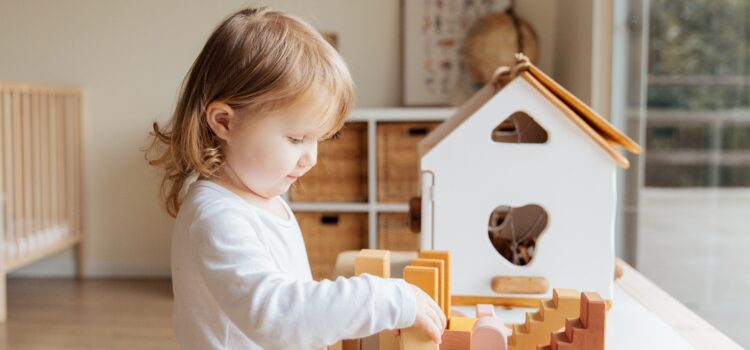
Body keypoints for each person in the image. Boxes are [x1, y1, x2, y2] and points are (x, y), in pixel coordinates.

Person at [144, 7, 446, 350]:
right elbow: (277, 317)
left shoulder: (264, 200)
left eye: (319, 139)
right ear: (225, 122)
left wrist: (363, 316)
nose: (311, 157)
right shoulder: (218, 217)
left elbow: (296, 306)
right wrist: (387, 299)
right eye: (295, 138)